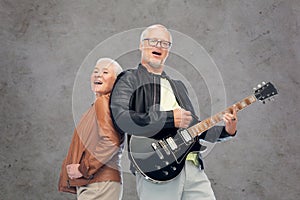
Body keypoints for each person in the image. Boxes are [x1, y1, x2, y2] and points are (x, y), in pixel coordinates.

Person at [109, 24, 238, 200]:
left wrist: (227, 131)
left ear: (169, 50)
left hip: (192, 167)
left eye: (165, 43)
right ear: (141, 45)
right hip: (157, 170)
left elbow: (194, 127)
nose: (159, 46)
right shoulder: (129, 79)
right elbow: (121, 119)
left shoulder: (178, 86)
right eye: (153, 41)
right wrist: (170, 119)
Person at [58, 58, 124, 200]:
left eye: (105, 72)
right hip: (97, 183)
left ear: (116, 81)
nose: (98, 75)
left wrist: (84, 168)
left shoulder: (102, 103)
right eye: (95, 71)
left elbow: (111, 142)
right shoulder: (100, 105)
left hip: (99, 183)